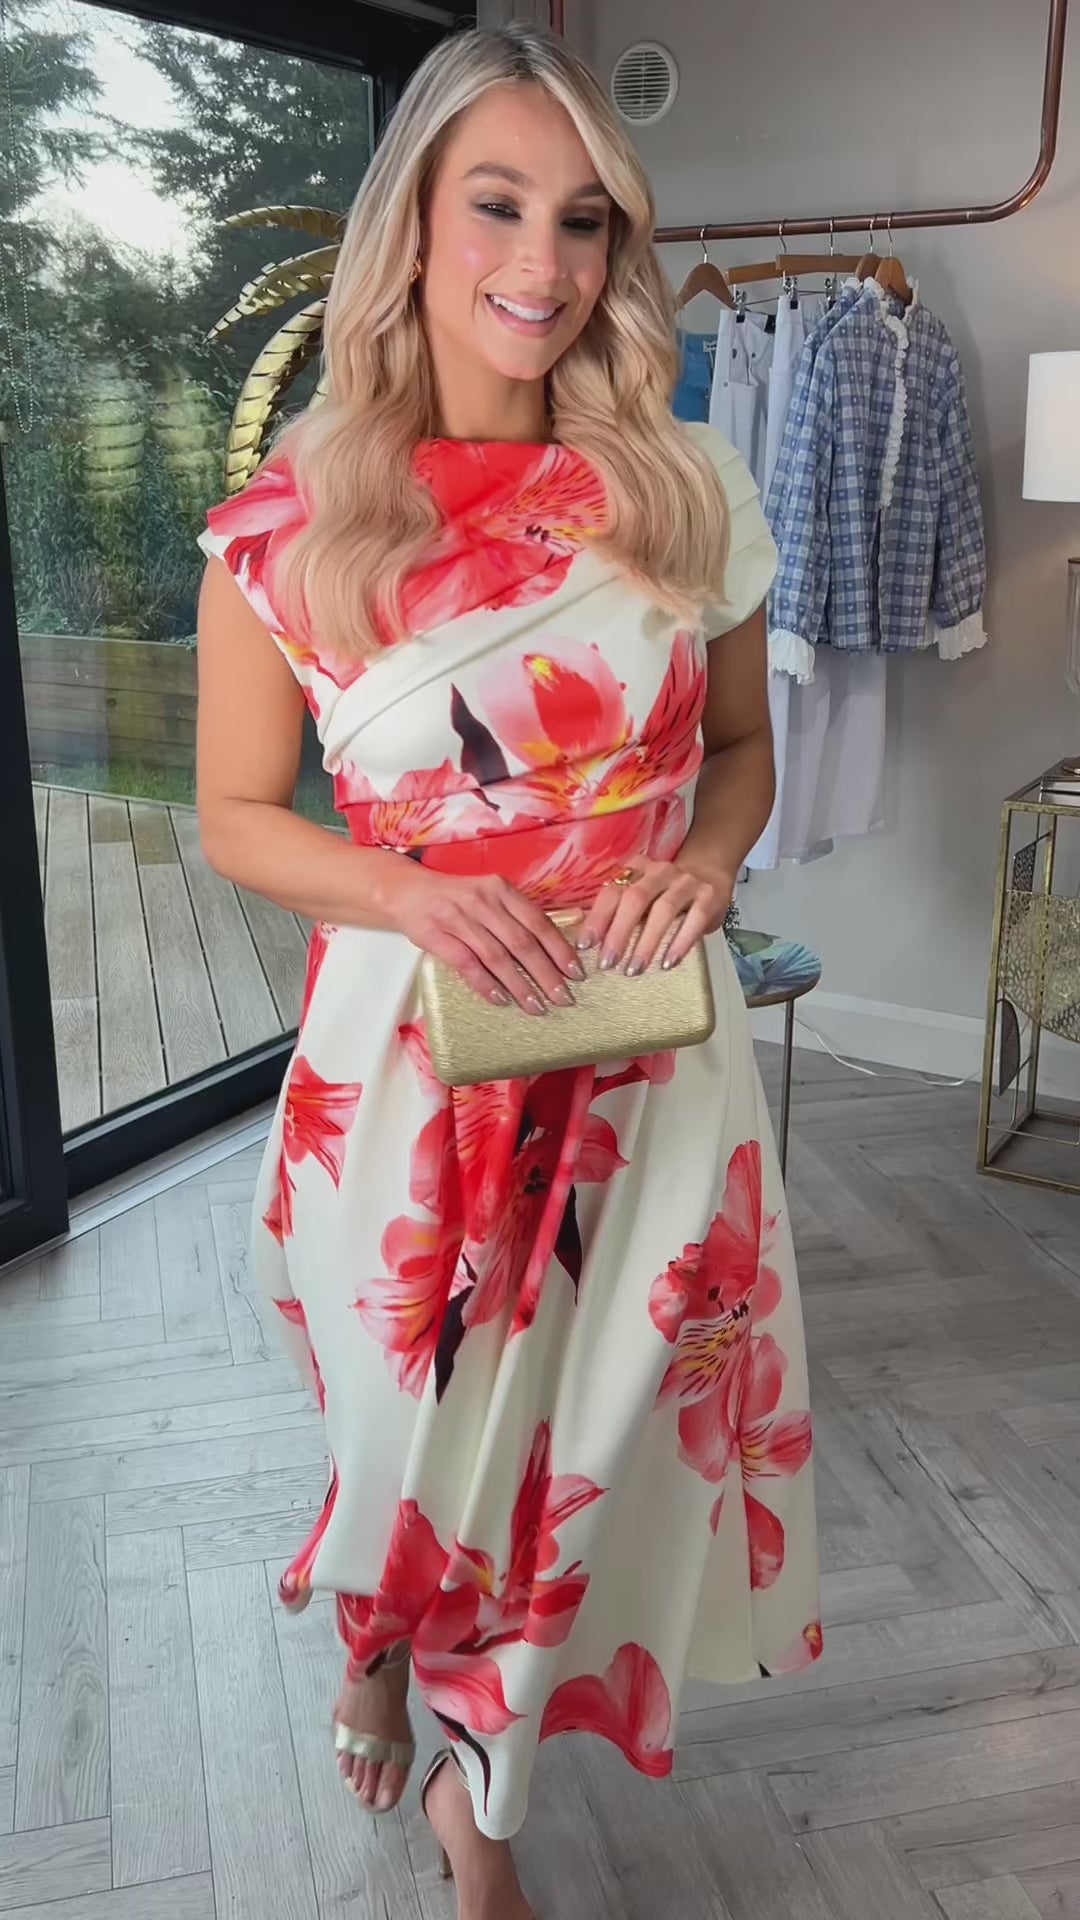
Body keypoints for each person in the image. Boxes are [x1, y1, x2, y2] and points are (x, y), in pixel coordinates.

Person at [196, 22, 819, 1917]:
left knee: (577, 1455)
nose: (541, 263)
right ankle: (378, 1640)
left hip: (646, 1063)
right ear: (411, 226)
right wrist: (406, 892)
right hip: (408, 1056)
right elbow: (237, 817)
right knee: (413, 1430)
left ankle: (487, 1825)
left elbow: (739, 754)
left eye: (582, 219)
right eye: (495, 205)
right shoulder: (291, 525)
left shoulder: (684, 485)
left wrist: (703, 864)